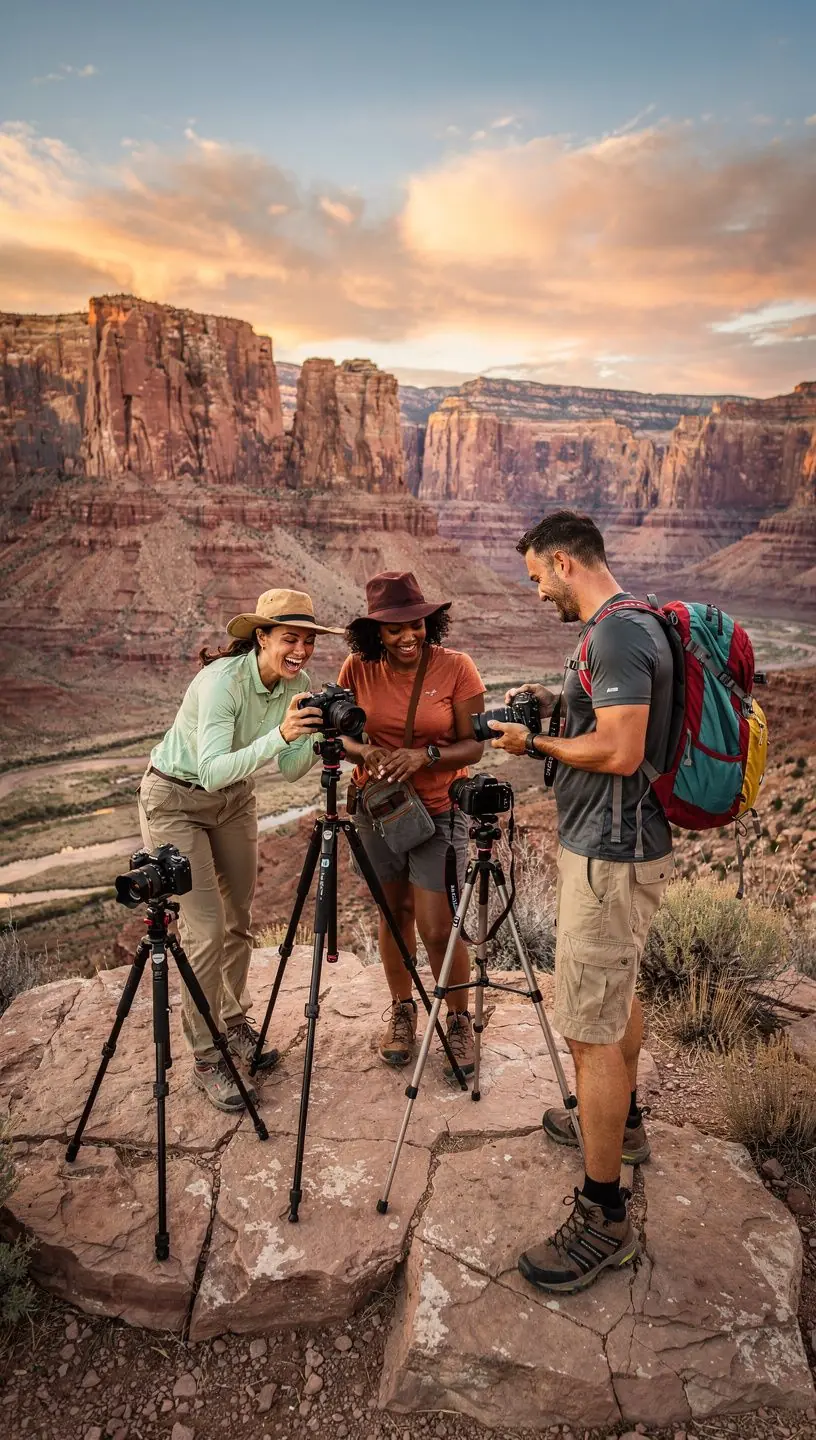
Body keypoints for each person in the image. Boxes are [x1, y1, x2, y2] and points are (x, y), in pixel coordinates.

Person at [488, 510, 674, 1295]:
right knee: (612, 999)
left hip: (610, 854)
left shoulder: (616, 634)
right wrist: (554, 701)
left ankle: (604, 1217)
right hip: (609, 848)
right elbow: (607, 721)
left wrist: (534, 745)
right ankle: (621, 1127)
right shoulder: (619, 627)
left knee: (590, 1030)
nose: (536, 594)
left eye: (537, 578)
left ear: (564, 563)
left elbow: (623, 749)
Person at [138, 588, 341, 1114]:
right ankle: (207, 1057)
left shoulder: (295, 684)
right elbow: (210, 770)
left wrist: (317, 736)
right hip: (177, 799)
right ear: (262, 637)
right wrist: (279, 734)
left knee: (239, 919)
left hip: (235, 801)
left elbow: (293, 768)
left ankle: (232, 1022)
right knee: (204, 928)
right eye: (290, 639)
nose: (301, 650)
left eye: (309, 641)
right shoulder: (222, 683)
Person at [337, 572, 486, 1074]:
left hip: (440, 810)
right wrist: (370, 752)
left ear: (429, 622)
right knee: (393, 914)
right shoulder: (356, 669)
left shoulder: (457, 668)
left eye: (415, 624)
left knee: (438, 925)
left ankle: (460, 1019)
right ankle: (402, 1011)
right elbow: (344, 740)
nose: (407, 636)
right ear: (374, 631)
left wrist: (424, 757)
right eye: (393, 628)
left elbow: (473, 745)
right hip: (378, 808)